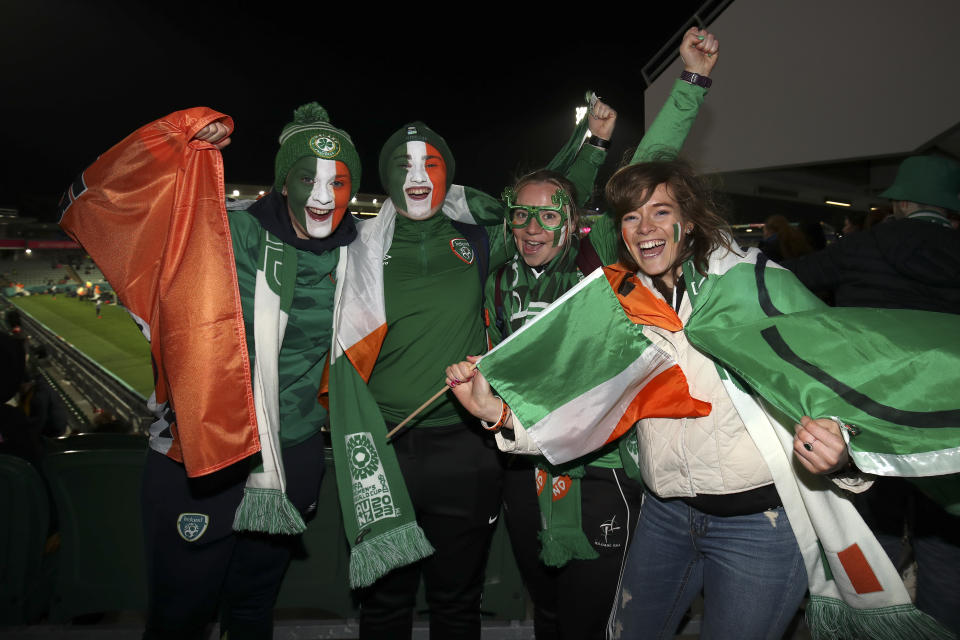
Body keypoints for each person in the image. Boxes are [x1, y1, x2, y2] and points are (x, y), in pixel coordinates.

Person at [448, 157, 953, 639]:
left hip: (760, 527)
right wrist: (496, 412)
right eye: (631, 216)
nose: (644, 226)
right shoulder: (619, 302)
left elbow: (834, 381)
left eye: (660, 212)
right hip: (664, 517)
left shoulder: (756, 286)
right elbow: (582, 403)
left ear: (688, 222)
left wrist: (841, 449)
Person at [59, 103, 361, 639]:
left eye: (338, 182)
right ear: (280, 183)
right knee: (180, 619)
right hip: (199, 457)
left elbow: (459, 227)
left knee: (252, 610)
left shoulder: (363, 252)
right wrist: (175, 138)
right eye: (307, 178)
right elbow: (101, 198)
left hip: (292, 456)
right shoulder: (220, 229)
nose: (322, 196)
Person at [480, 27, 718, 640]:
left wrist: (689, 81)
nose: (534, 229)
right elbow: (534, 191)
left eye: (549, 218)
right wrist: (585, 141)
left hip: (601, 468)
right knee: (549, 612)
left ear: (576, 223)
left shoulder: (599, 255)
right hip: (520, 464)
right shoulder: (498, 270)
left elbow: (647, 171)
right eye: (523, 218)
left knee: (591, 618)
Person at [787, 154, 960, 635]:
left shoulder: (863, 247)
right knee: (946, 553)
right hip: (948, 432)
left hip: (867, 424)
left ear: (901, 202)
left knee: (870, 542)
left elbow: (787, 282)